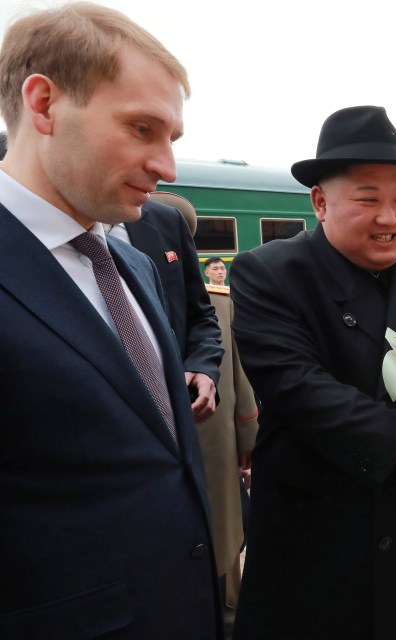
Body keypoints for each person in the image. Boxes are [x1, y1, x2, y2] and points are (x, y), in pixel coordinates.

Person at [230, 105, 396, 640]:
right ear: (320, 202)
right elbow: (296, 388)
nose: (390, 216)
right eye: (367, 199)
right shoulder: (270, 272)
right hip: (315, 524)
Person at [0, 4, 220, 639]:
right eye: (141, 129)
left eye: (171, 139)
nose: (167, 167)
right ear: (43, 104)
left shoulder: (129, 263)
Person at [109, 190, 223, 421]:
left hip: (175, 417)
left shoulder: (167, 220)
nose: (168, 172)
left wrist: (202, 366)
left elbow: (199, 315)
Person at [202, 256, 259, 630]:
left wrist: (247, 443)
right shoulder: (218, 303)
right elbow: (242, 388)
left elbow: (239, 383)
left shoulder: (220, 301)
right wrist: (247, 444)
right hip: (216, 452)